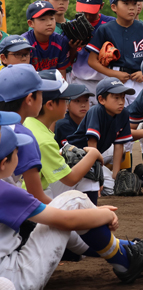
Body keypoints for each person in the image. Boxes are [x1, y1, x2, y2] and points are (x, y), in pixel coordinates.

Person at [0, 126, 143, 288]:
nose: (19, 157)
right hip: (16, 276)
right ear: (4, 163)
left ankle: (128, 250)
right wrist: (106, 215)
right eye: (16, 153)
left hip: (7, 270)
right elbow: (66, 219)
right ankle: (126, 258)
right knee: (73, 201)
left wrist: (93, 213)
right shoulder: (6, 191)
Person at [23, 70, 104, 204]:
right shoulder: (43, 139)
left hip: (31, 190)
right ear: (50, 104)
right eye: (66, 100)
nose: (67, 104)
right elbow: (70, 179)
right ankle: (88, 218)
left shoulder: (31, 122)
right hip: (33, 200)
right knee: (88, 168)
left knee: (80, 161)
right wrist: (93, 153)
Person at [86, 0, 143, 106]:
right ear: (114, 7)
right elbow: (92, 60)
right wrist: (112, 73)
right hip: (115, 78)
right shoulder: (105, 29)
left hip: (140, 78)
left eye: (134, 3)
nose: (131, 7)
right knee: (115, 116)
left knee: (141, 115)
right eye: (125, 3)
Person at [0, 64, 62, 203]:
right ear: (29, 99)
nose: (43, 97)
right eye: (41, 93)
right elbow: (37, 197)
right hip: (7, 215)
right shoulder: (24, 135)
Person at [67, 77, 134, 187]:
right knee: (101, 187)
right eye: (116, 98)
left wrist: (115, 175)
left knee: (114, 186)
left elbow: (119, 144)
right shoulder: (96, 111)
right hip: (76, 156)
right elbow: (92, 145)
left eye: (123, 97)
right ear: (102, 99)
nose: (121, 102)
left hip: (95, 154)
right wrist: (96, 174)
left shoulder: (123, 114)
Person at [70, 0, 116, 104]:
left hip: (106, 81)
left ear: (101, 6)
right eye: (84, 11)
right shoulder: (73, 26)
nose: (88, 16)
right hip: (80, 81)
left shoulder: (112, 24)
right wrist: (73, 49)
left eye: (92, 11)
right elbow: (67, 61)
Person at [22, 1, 73, 78]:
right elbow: (22, 76)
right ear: (30, 23)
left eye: (52, 18)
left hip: (54, 85)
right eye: (42, 19)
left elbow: (62, 76)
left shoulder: (61, 41)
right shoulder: (24, 44)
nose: (49, 23)